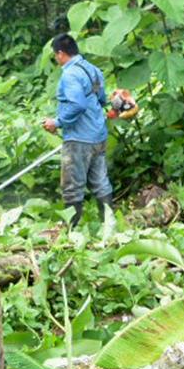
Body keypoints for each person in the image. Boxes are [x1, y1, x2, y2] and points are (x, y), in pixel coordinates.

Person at [40, 33, 133, 228]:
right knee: (100, 182)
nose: (56, 59)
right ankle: (109, 224)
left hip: (79, 138)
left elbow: (77, 104)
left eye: (55, 55)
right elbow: (101, 99)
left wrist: (56, 122)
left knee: (72, 186)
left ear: (60, 53)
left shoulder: (70, 74)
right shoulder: (92, 70)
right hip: (98, 135)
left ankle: (70, 230)